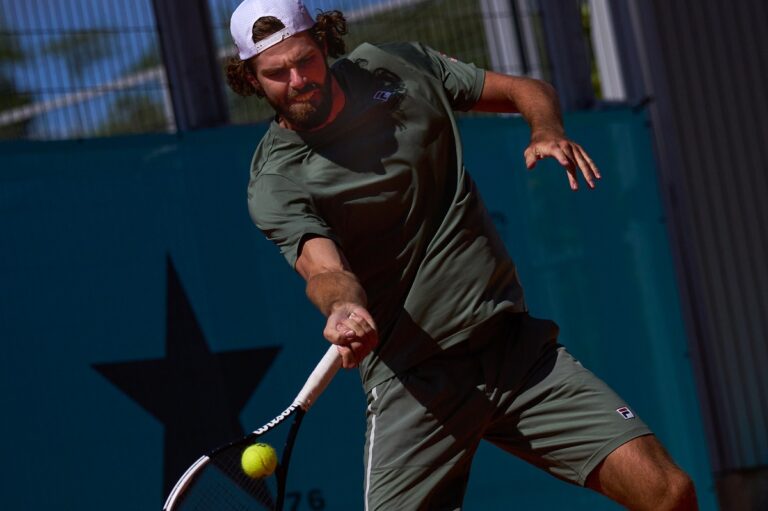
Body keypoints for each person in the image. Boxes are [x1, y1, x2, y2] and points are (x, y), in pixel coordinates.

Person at [226, 1, 698, 509]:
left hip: (513, 351)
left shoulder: (397, 66)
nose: (298, 80)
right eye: (277, 73)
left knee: (669, 493)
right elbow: (323, 267)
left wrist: (546, 130)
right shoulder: (276, 180)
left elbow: (524, 89)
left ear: (324, 43)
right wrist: (342, 306)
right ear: (251, 79)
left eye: (305, 60)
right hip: (416, 385)